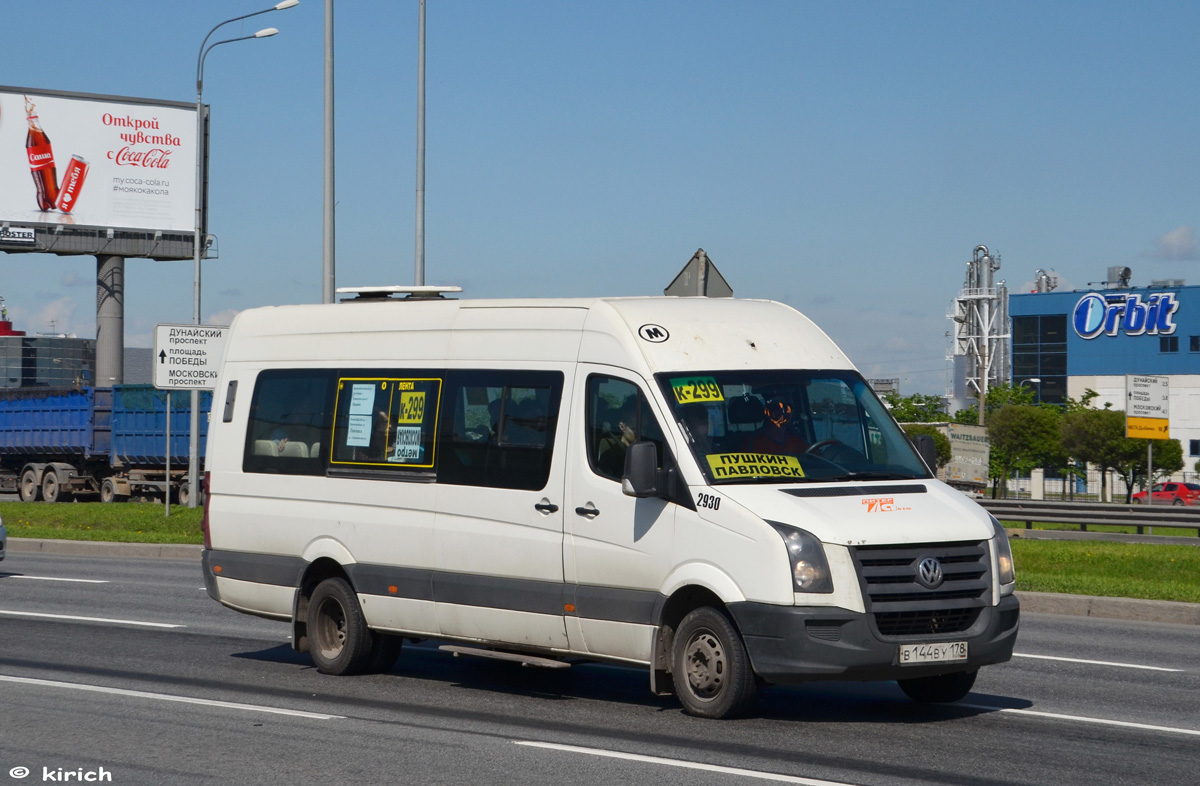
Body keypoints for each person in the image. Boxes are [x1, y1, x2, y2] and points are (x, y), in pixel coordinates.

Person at [742, 398, 808, 455]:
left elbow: (815, 458)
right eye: (781, 408)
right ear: (768, 412)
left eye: (790, 407)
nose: (787, 412)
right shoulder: (755, 441)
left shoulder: (795, 440)